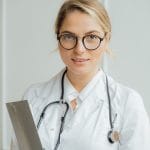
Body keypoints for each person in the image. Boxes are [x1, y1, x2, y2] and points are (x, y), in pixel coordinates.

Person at [11, 0, 150, 149]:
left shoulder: (128, 103)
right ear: (58, 38)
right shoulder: (32, 97)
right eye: (69, 36)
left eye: (91, 37)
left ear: (107, 39)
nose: (79, 49)